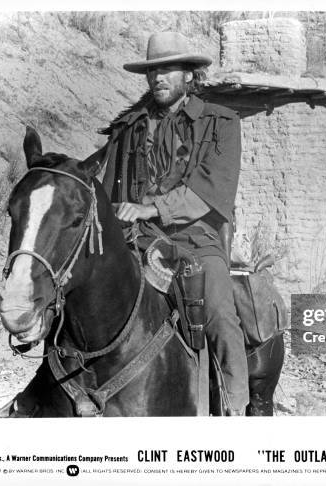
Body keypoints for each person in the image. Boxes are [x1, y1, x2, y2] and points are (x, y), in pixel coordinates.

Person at [97, 32, 248, 415]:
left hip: (194, 239)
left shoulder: (220, 124)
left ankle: (234, 409)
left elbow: (211, 189)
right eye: (152, 71)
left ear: (189, 75)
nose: (158, 78)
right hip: (135, 238)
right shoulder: (128, 127)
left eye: (167, 69)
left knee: (220, 316)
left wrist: (151, 208)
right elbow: (105, 184)